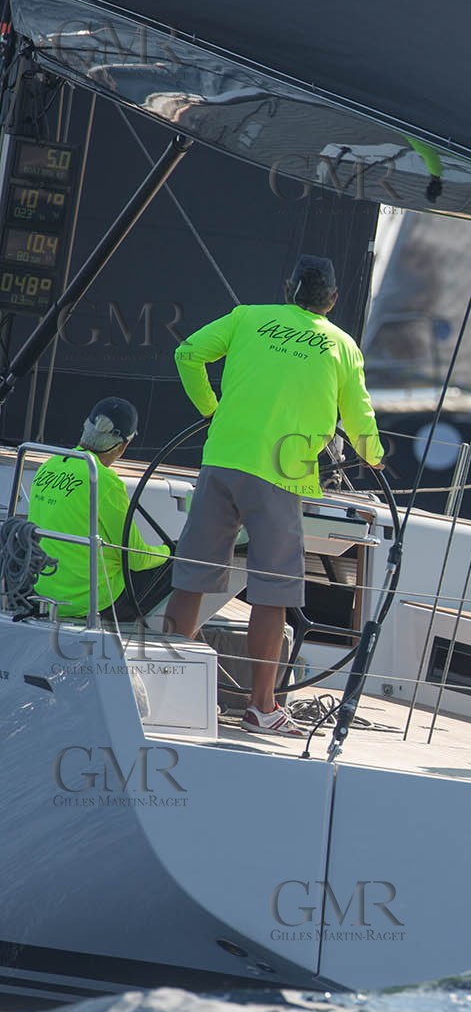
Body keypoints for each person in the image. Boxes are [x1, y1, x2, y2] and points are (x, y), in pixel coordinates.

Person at [166, 254, 384, 737]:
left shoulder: (247, 318)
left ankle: (167, 689)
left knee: (192, 580)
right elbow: (359, 419)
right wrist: (373, 456)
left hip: (222, 462)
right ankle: (261, 708)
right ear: (332, 300)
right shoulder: (342, 347)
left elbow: (187, 355)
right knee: (272, 594)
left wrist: (213, 412)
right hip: (283, 478)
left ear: (288, 289)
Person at [27, 397, 170, 619]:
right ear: (123, 446)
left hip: (43, 592)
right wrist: (169, 552)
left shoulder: (49, 466)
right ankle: (177, 642)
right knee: (180, 564)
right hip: (90, 602)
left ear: (86, 427)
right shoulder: (104, 481)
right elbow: (137, 559)